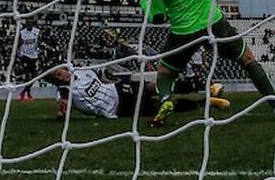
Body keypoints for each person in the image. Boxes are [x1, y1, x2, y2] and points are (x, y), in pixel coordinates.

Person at [122, 0, 275, 126]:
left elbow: (158, 18)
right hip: (212, 22)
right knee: (247, 60)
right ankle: (274, 102)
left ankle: (166, 101)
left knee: (165, 74)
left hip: (183, 31)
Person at [46, 67, 230, 120]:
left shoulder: (82, 71)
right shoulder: (64, 91)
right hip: (118, 108)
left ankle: (207, 88)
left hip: (119, 89)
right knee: (161, 106)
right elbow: (62, 109)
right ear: (56, 81)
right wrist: (62, 112)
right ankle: (208, 101)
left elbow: (102, 81)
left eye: (61, 72)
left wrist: (111, 82)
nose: (62, 76)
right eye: (58, 76)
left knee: (156, 86)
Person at [17, 20, 41, 101]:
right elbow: (18, 44)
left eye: (31, 24)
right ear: (26, 25)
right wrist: (19, 55)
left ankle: (24, 92)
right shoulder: (22, 33)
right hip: (25, 56)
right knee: (28, 76)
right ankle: (29, 95)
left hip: (34, 56)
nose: (29, 25)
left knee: (35, 76)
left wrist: (39, 51)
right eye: (28, 24)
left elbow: (39, 42)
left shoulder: (37, 32)